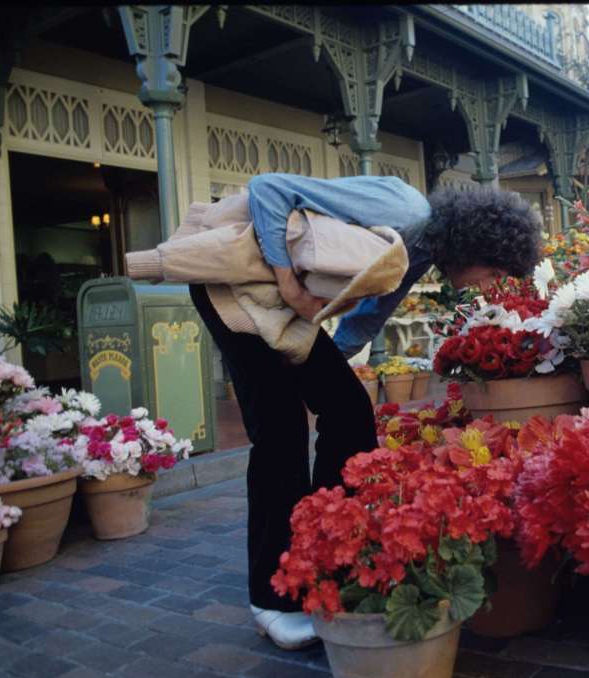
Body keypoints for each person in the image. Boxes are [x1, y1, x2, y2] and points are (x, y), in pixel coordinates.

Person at [187, 173, 543, 649]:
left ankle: (323, 548)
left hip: (277, 304)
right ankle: (270, 599)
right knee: (280, 430)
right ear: (475, 243)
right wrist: (290, 283)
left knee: (350, 408)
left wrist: (324, 369)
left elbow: (368, 319)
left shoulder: (418, 252)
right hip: (235, 286)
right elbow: (268, 189)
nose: (491, 286)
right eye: (495, 272)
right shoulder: (406, 211)